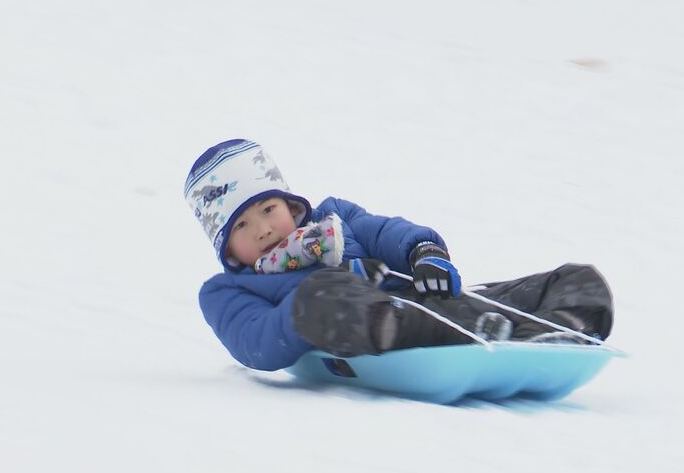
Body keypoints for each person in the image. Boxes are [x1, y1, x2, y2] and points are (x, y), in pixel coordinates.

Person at [186, 139, 614, 371]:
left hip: (434, 305)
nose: (262, 228)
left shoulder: (335, 217)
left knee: (577, 278)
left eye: (267, 209)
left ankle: (561, 331)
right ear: (224, 244)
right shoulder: (227, 291)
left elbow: (389, 234)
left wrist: (426, 254)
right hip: (372, 332)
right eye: (241, 225)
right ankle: (478, 334)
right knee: (322, 298)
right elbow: (258, 343)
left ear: (289, 203)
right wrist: (345, 283)